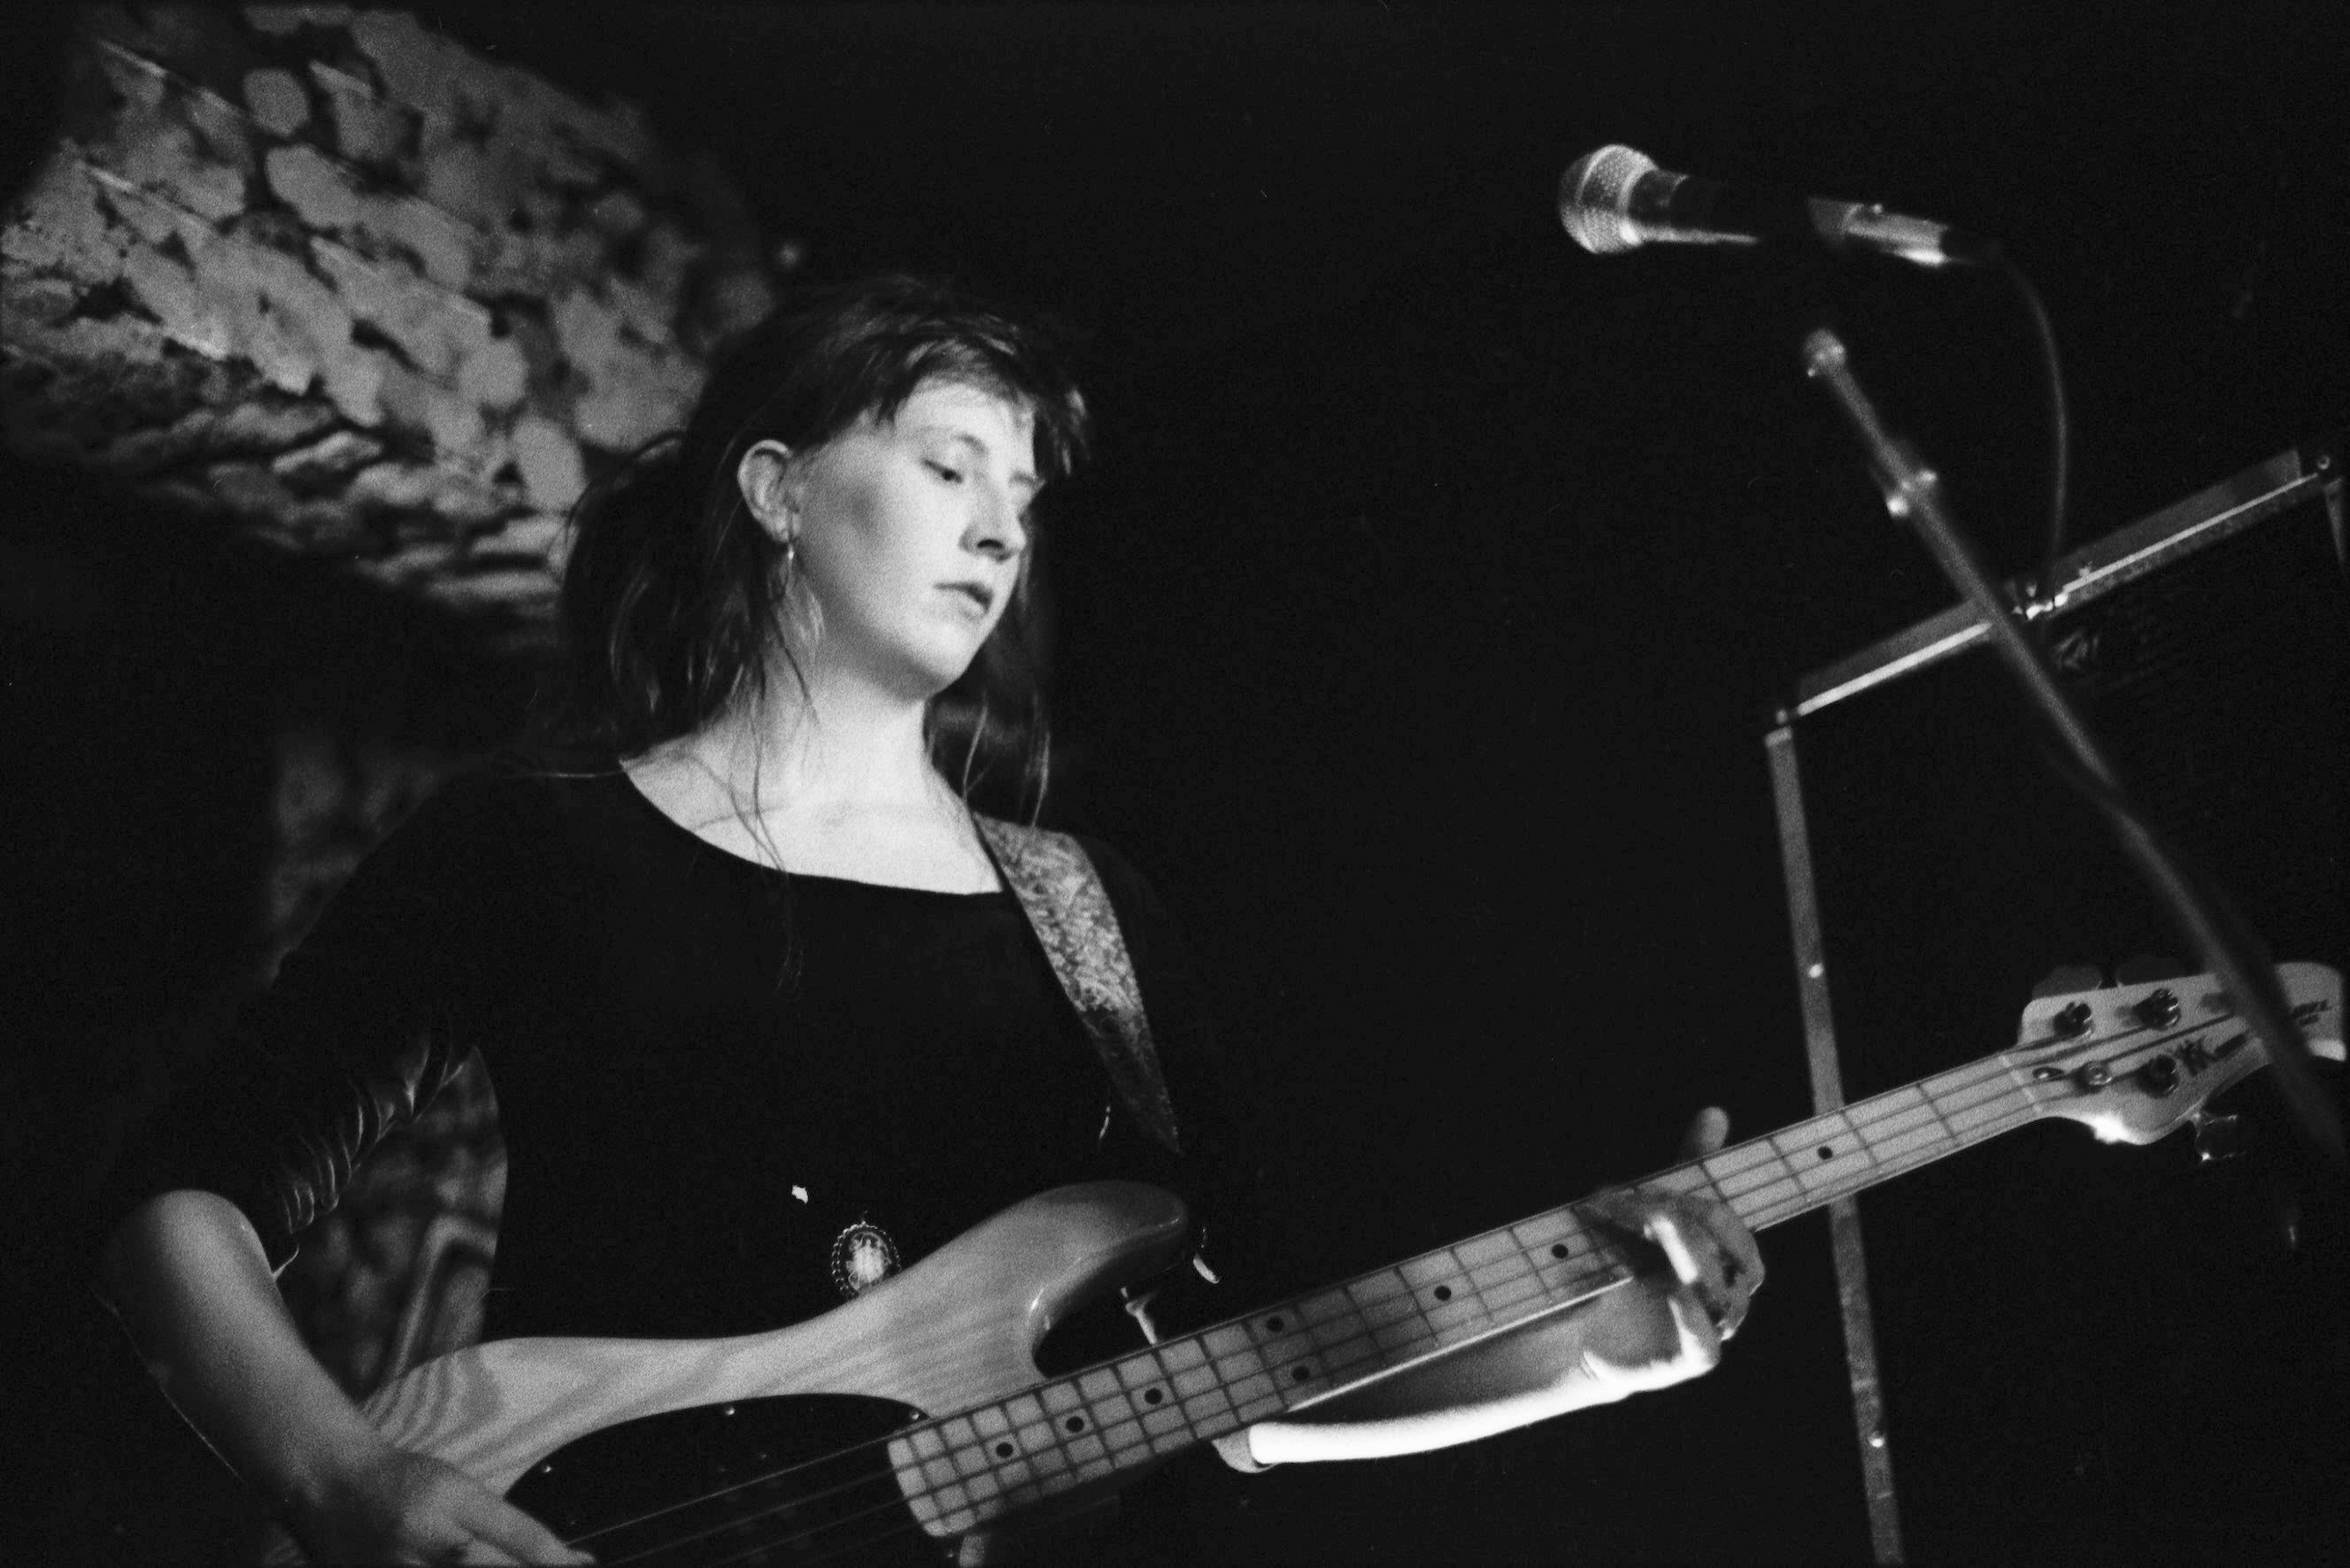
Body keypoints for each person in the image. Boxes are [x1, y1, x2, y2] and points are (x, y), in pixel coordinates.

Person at [93, 274, 1762, 1565]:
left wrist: (1607, 1343)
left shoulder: (1090, 911)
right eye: (947, 463)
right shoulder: (538, 839)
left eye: (1020, 498)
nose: (998, 528)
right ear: (778, 491)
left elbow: (1244, 1382)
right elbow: (181, 1197)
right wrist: (342, 1480)